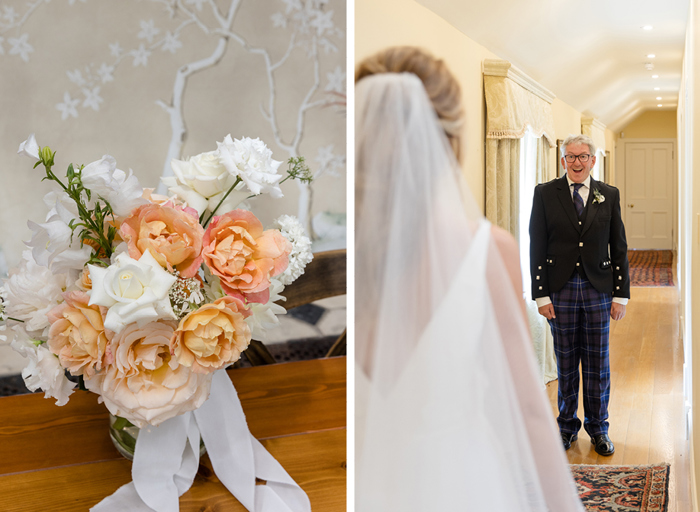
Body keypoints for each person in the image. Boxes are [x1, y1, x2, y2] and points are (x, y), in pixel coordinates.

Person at [356, 46, 585, 512]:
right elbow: (525, 413)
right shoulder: (487, 251)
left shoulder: (346, 254)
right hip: (461, 482)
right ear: (452, 139)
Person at [529, 134, 630, 456]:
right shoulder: (545, 194)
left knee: (598, 364)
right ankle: (566, 427)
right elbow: (537, 244)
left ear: (592, 160)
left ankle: (599, 429)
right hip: (560, 290)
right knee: (566, 362)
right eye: (570, 157)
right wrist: (541, 295)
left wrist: (621, 295)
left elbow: (620, 247)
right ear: (563, 161)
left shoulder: (609, 195)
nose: (576, 162)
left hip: (599, 288)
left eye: (582, 157)